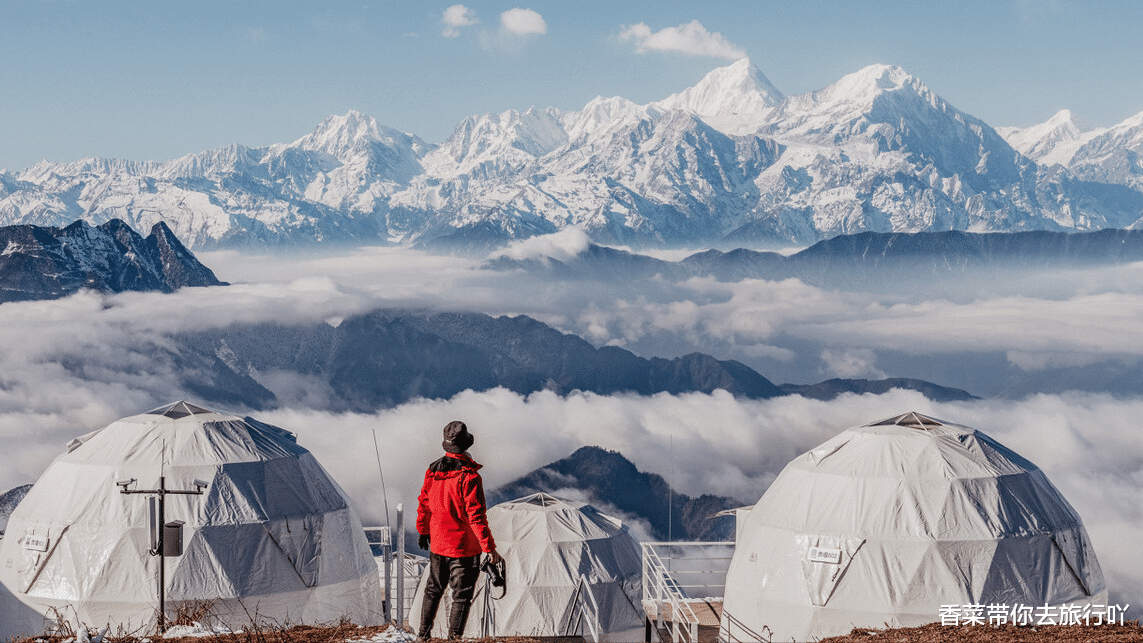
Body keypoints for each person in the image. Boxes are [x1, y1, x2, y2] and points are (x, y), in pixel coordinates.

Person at [415, 420, 502, 640]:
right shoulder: (470, 477)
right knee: (461, 597)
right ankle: (454, 639)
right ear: (466, 447)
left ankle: (422, 637)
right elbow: (476, 516)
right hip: (463, 548)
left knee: (432, 590)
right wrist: (489, 548)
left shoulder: (433, 471)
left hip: (438, 543)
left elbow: (424, 503)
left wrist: (423, 530)